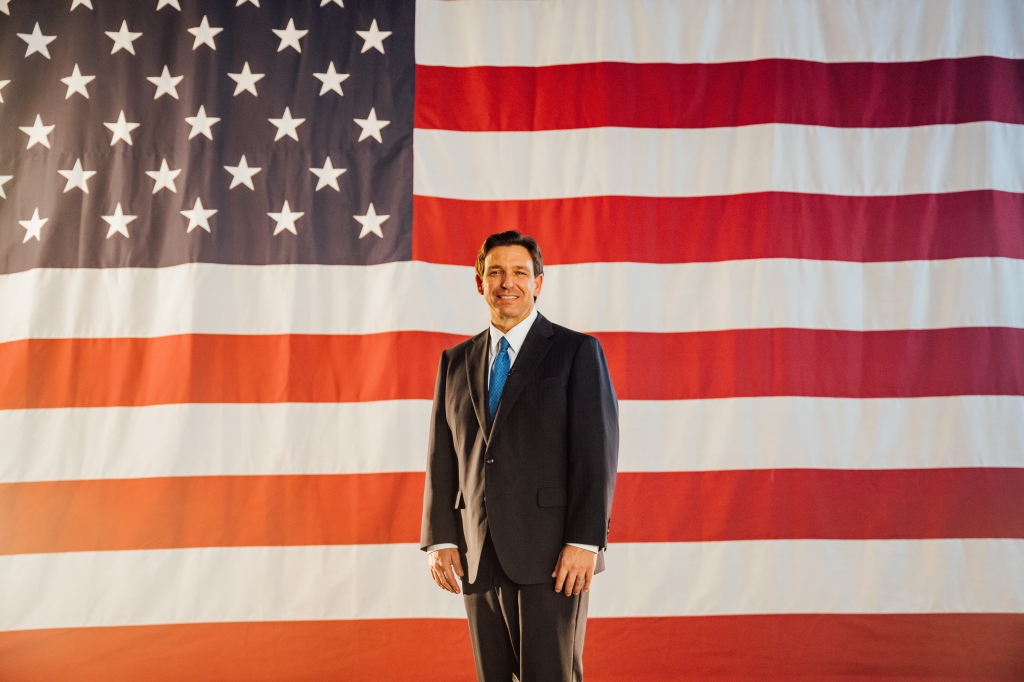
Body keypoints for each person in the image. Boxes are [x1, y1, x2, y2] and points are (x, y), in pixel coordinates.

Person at [420, 231, 619, 682]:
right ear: (479, 282)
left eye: (518, 273)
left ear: (538, 282)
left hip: (553, 555)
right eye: (495, 272)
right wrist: (441, 538)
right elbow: (442, 458)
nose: (506, 282)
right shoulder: (454, 362)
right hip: (476, 552)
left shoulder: (576, 352)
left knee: (550, 675)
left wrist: (585, 541)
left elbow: (596, 454)